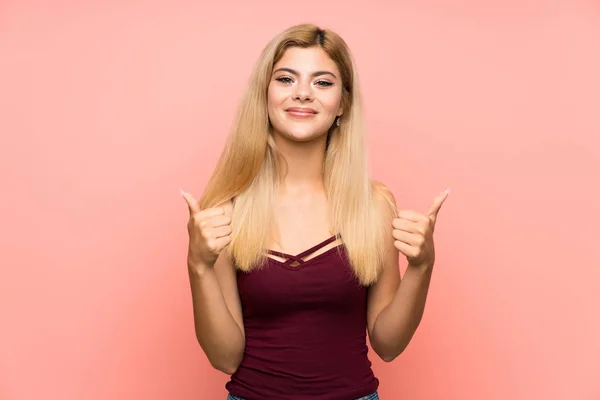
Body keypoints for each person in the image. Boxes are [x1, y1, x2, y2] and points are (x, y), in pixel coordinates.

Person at [180, 23, 449, 400]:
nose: (303, 93)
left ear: (343, 104)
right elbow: (224, 357)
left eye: (322, 82)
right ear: (265, 94)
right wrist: (198, 266)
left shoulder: (374, 204)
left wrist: (422, 267)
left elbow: (388, 345)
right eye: (286, 79)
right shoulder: (225, 211)